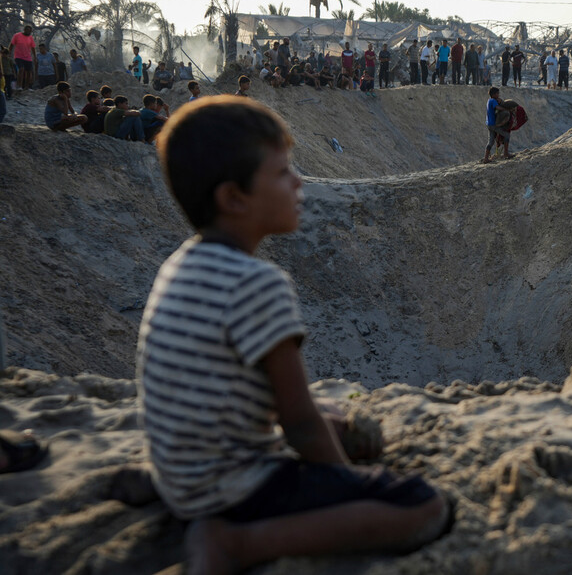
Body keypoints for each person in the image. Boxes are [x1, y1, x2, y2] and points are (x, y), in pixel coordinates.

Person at [140, 96, 449, 573]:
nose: (299, 181)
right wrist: (347, 487)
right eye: (284, 172)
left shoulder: (179, 266)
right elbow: (299, 422)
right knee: (422, 505)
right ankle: (235, 545)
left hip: (181, 478)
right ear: (234, 198)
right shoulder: (257, 283)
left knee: (335, 422)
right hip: (235, 490)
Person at [483, 86, 514, 162]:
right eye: (497, 93)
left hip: (489, 124)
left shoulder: (489, 100)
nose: (498, 95)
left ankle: (486, 158)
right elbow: (498, 108)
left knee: (491, 141)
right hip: (493, 124)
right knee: (506, 135)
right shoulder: (493, 101)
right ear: (493, 94)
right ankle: (506, 153)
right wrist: (506, 109)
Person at [9, 25, 36, 94]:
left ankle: (27, 87)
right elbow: (12, 45)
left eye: (30, 31)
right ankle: (19, 86)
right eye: (27, 30)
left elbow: (33, 48)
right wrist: (9, 53)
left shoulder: (30, 38)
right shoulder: (17, 35)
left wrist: (35, 57)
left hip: (28, 57)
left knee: (29, 72)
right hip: (18, 56)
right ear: (24, 30)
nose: (29, 32)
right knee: (21, 69)